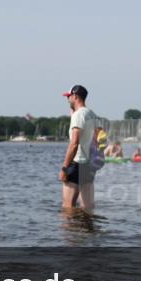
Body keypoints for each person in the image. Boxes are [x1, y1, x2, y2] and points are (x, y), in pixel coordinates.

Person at [59, 85, 100, 213]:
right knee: (87, 207)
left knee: (67, 207)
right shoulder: (91, 114)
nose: (67, 100)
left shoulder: (79, 115)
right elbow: (97, 139)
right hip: (88, 164)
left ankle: (71, 227)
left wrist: (64, 168)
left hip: (76, 163)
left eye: (69, 97)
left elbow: (74, 143)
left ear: (75, 96)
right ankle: (86, 226)